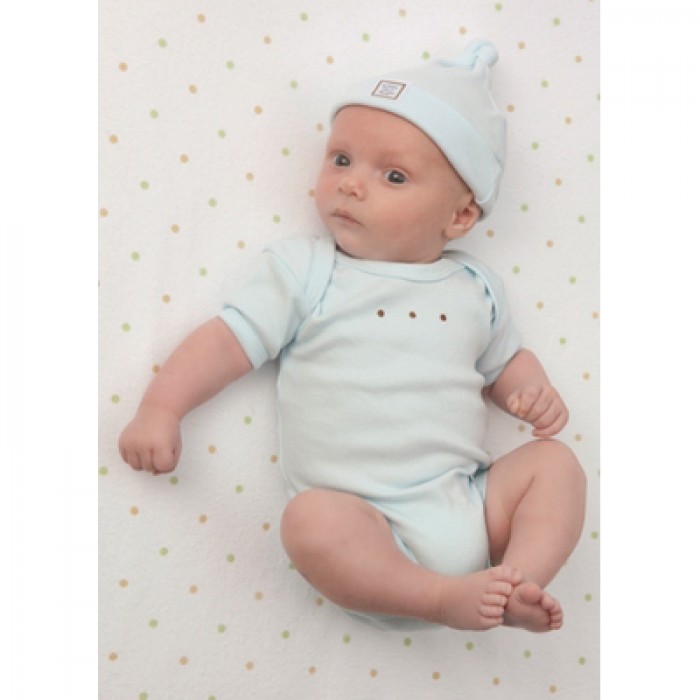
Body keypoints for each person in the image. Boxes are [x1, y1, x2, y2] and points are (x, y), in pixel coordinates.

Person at [118, 40, 587, 633]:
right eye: (341, 160)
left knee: (556, 465)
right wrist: (161, 409)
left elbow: (505, 363)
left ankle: (519, 582)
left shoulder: (475, 287)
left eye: (393, 175)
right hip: (361, 525)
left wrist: (531, 391)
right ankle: (438, 597)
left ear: (460, 216)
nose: (351, 185)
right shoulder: (309, 270)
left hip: (467, 504)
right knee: (307, 520)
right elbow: (225, 341)